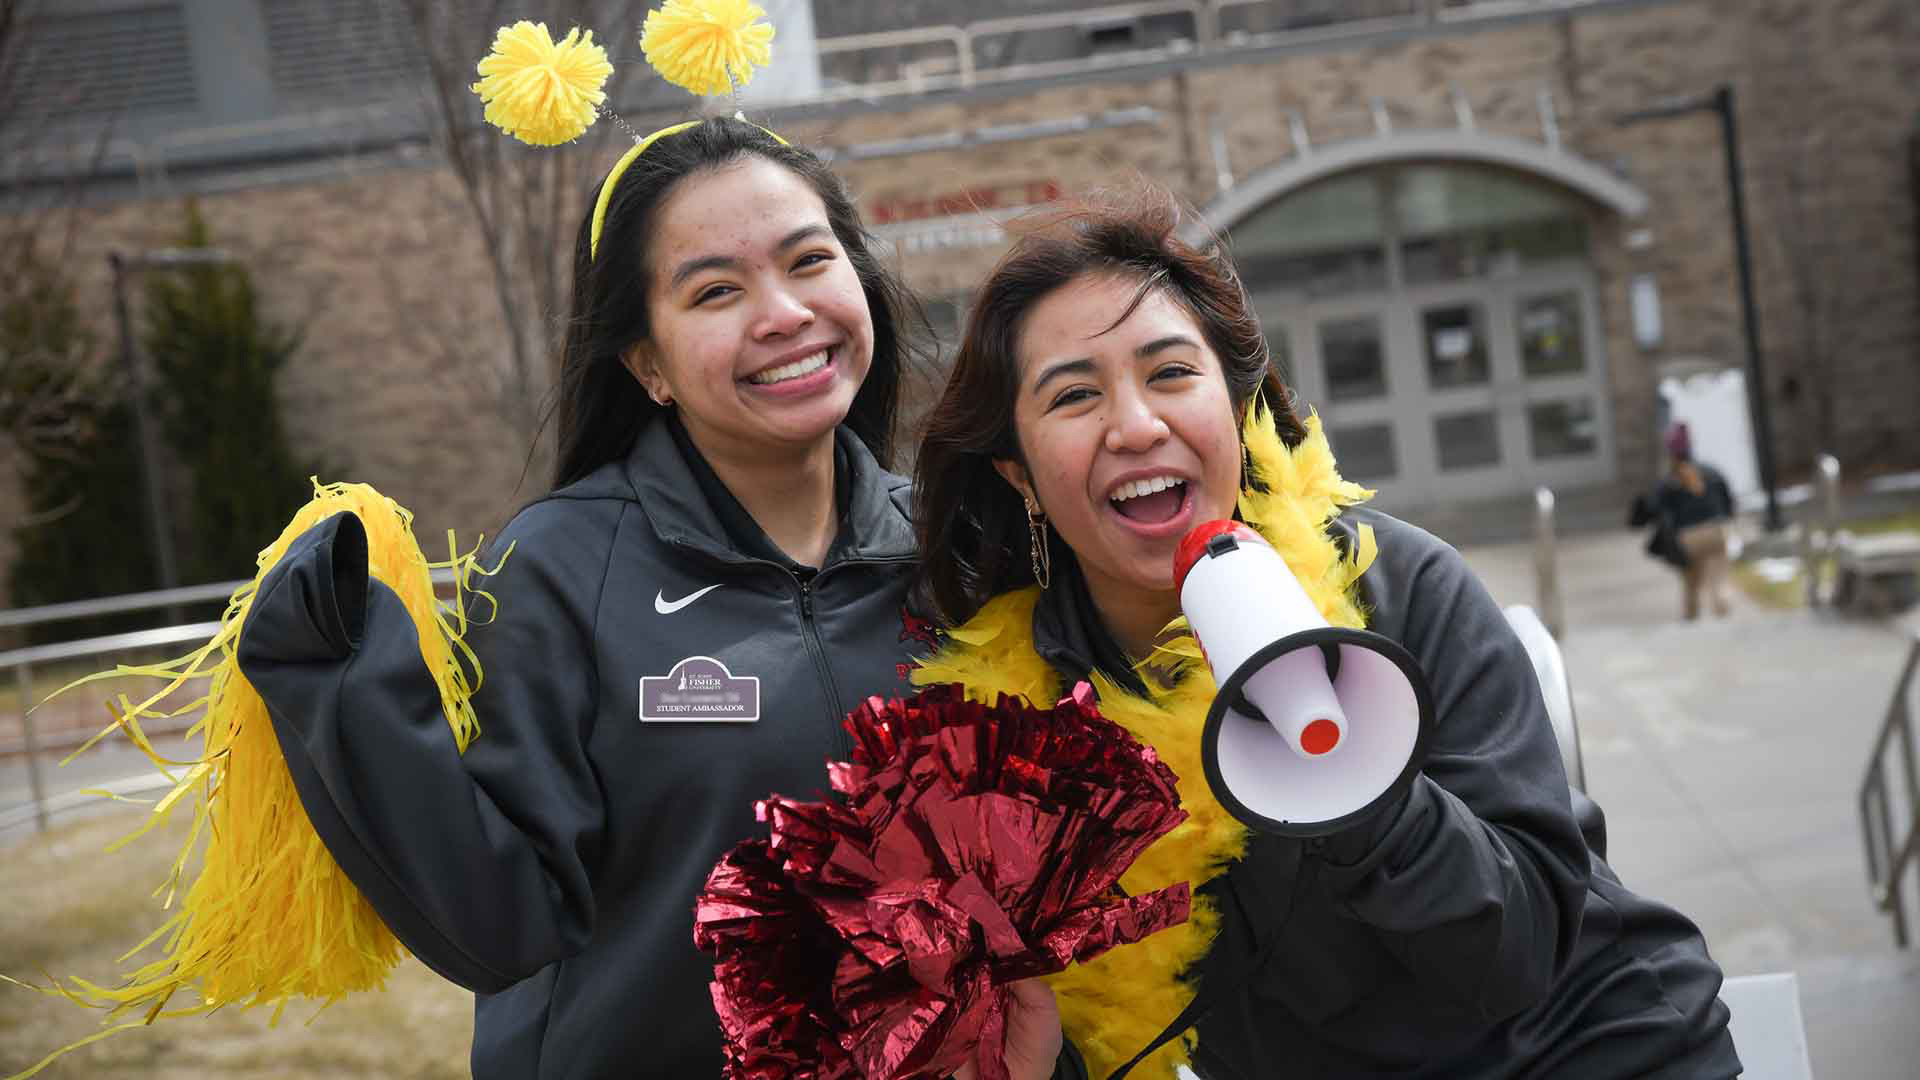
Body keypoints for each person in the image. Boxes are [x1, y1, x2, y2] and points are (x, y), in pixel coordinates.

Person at [911, 186, 1742, 1079]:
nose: (1138, 425)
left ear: (1236, 411)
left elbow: (1520, 950)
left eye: (1171, 373)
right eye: (1075, 395)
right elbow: (1103, 1020)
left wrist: (1357, 784)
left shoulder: (1401, 585)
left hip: (1589, 1050)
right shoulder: (1012, 725)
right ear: (1021, 474)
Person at [233, 116, 935, 1077]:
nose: (782, 312)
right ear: (646, 363)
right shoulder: (557, 568)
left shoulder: (955, 547)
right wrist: (340, 675)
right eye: (717, 290)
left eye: (808, 260)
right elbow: (498, 922)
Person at [1631, 422, 1737, 620]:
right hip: (1716, 529)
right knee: (1719, 575)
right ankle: (1722, 606)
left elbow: (1653, 509)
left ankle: (1691, 613)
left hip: (1687, 537)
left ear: (1672, 453)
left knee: (1691, 578)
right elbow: (1728, 500)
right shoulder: (1711, 471)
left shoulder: (1669, 482)